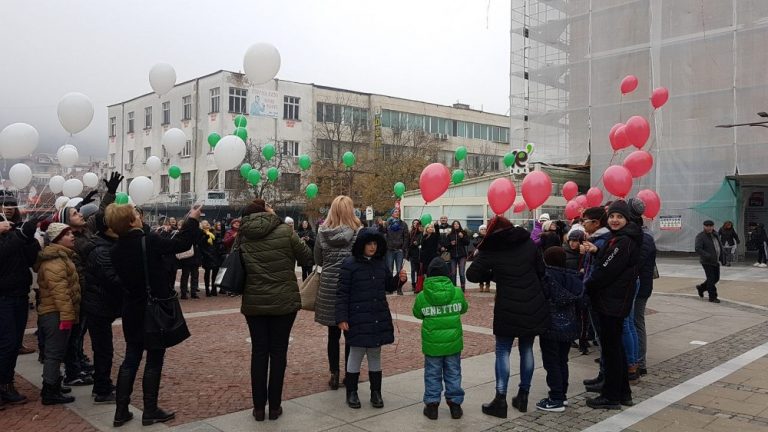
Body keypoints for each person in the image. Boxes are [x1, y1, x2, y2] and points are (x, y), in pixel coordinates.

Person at [107, 203, 202, 427]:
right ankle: (150, 410)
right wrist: (192, 219)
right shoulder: (147, 241)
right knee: (154, 359)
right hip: (153, 308)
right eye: (136, 215)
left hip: (132, 308)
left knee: (131, 358)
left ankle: (121, 411)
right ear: (131, 222)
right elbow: (181, 244)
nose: (140, 217)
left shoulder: (115, 249)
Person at [467, 216, 549, 418]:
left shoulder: (492, 249)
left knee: (503, 350)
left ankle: (500, 399)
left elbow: (472, 275)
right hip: (531, 302)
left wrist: (494, 273)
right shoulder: (528, 242)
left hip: (507, 305)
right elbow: (541, 270)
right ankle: (523, 395)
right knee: (527, 349)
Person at [238, 199, 313, 421]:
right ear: (265, 211)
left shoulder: (243, 233)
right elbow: (307, 257)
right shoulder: (285, 230)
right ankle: (275, 407)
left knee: (259, 352)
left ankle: (258, 408)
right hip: (284, 301)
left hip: (254, 302)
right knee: (278, 353)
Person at [336, 228, 406, 410]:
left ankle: (376, 392)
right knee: (356, 354)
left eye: (375, 244)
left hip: (377, 316)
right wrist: (342, 318)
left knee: (375, 355)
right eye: (369, 243)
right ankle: (352, 392)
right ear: (362, 245)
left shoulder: (380, 263)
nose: (372, 247)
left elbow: (388, 286)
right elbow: (342, 294)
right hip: (357, 317)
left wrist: (399, 279)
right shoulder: (349, 264)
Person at [584, 200, 642, 410]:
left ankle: (611, 396)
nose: (614, 220)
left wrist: (587, 286)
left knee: (611, 350)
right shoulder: (620, 239)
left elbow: (606, 271)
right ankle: (623, 392)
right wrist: (598, 253)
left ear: (627, 219)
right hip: (614, 300)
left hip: (613, 302)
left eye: (619, 217)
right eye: (612, 216)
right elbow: (610, 263)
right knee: (615, 348)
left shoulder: (623, 241)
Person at [314, 195, 362, 391]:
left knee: (332, 335)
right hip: (351, 287)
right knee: (350, 334)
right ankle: (350, 374)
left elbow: (317, 259)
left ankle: (334, 373)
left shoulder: (322, 233)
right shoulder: (358, 233)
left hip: (329, 288)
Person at [412, 257, 468, 420]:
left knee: (432, 374)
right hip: (453, 343)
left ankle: (432, 406)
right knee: (453, 372)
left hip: (432, 344)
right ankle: (455, 405)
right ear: (447, 273)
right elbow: (464, 308)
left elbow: (417, 313)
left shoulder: (423, 296)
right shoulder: (457, 292)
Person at [0, 191, 42, 407]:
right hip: (3, 296)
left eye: (11, 204)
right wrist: (20, 236)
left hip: (19, 293)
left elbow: (30, 259)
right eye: (3, 204)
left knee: (14, 342)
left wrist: (30, 238)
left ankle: (6, 384)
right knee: (6, 343)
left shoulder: (16, 229)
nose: (7, 208)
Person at [35, 222, 80, 405]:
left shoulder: (62, 257)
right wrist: (67, 317)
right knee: (54, 353)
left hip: (57, 312)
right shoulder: (54, 262)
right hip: (55, 313)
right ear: (57, 238)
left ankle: (54, 384)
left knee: (57, 351)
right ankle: (50, 391)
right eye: (68, 234)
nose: (72, 236)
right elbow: (60, 293)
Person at [536, 247, 584, 412]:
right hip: (569, 326)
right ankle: (561, 395)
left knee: (551, 363)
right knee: (562, 361)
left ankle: (556, 397)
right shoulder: (573, 277)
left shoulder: (546, 277)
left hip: (550, 326)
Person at [82, 213, 123, 403]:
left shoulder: (106, 245)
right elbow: (112, 279)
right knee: (103, 349)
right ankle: (102, 389)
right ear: (108, 228)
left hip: (101, 304)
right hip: (98, 305)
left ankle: (102, 383)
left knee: (103, 348)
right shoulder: (101, 250)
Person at [634, 216, 657, 377]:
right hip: (643, 286)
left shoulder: (643, 240)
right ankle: (638, 361)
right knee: (636, 323)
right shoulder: (645, 238)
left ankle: (640, 362)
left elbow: (635, 263)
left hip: (639, 287)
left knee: (636, 322)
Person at [694, 220, 723, 303]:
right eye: (707, 226)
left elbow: (719, 245)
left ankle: (701, 288)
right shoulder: (701, 236)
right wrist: (707, 255)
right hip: (707, 261)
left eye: (711, 226)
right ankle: (712, 297)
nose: (709, 228)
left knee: (716, 278)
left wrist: (723, 254)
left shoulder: (715, 234)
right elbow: (698, 248)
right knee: (711, 279)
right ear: (704, 226)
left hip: (716, 260)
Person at [384, 209, 409, 294]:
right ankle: (390, 288)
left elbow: (406, 237)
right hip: (389, 250)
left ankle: (399, 288)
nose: (397, 213)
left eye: (398, 212)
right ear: (392, 213)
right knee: (389, 270)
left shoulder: (403, 224)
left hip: (399, 250)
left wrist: (403, 248)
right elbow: (383, 234)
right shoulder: (387, 223)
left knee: (399, 270)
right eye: (395, 211)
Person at [199, 220, 223, 296]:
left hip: (215, 255)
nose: (207, 224)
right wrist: (207, 254)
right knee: (207, 273)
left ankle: (214, 288)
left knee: (215, 273)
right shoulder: (201, 233)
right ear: (202, 225)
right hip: (207, 256)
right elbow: (201, 245)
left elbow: (217, 242)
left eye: (208, 223)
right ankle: (207, 290)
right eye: (205, 223)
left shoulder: (213, 232)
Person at [446, 221, 470, 291]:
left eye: (457, 224)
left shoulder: (463, 233)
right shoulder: (450, 235)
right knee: (453, 273)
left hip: (462, 256)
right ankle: (454, 288)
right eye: (454, 224)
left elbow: (467, 243)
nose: (456, 225)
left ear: (459, 225)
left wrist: (462, 237)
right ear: (453, 226)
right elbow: (447, 246)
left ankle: (463, 289)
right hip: (453, 256)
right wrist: (451, 243)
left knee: (461, 273)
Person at [470, 225, 490, 292]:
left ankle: (487, 285)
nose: (483, 230)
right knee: (480, 271)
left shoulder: (489, 237)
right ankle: (481, 285)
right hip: (479, 257)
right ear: (479, 230)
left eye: (485, 229)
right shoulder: (477, 237)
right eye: (482, 229)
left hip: (487, 257)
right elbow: (475, 243)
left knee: (488, 272)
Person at [406, 219, 423, 292]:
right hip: (412, 254)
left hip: (419, 254)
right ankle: (413, 284)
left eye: (417, 223)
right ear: (412, 224)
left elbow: (422, 242)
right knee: (413, 269)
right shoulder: (410, 233)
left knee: (419, 270)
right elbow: (408, 243)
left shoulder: (421, 232)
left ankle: (419, 284)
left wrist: (418, 243)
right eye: (414, 223)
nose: (415, 224)